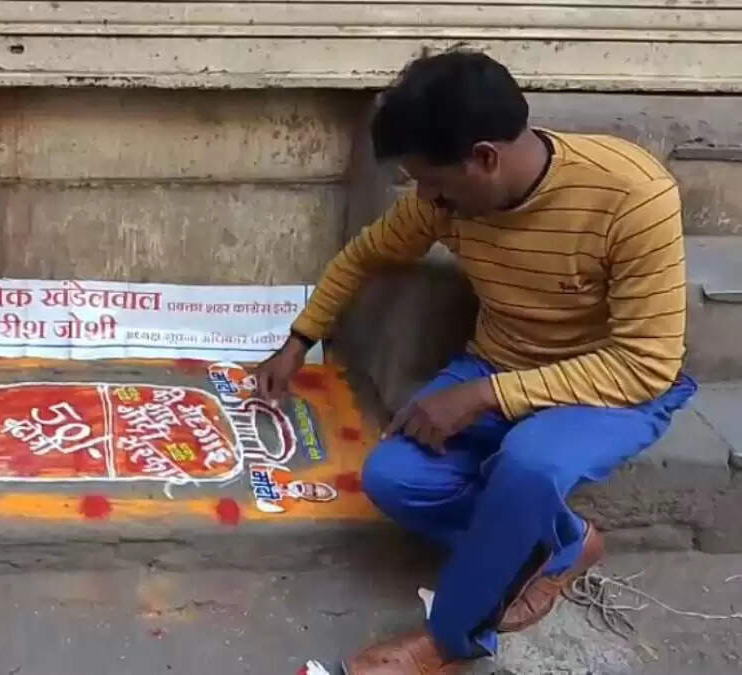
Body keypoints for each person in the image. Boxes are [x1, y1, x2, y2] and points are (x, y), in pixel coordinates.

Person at [253, 51, 696, 673]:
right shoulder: (445, 203)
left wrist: (485, 396)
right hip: (496, 363)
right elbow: (363, 256)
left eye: (431, 181)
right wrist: (299, 340)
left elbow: (645, 364)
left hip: (606, 387)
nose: (424, 198)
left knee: (530, 462)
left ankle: (450, 639)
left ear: (484, 158)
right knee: (393, 479)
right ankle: (564, 543)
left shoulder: (632, 194)